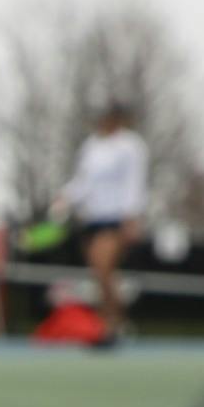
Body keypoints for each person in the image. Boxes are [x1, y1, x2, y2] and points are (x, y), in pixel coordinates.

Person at [61, 102, 149, 344]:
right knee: (101, 274)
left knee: (103, 266)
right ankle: (109, 323)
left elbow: (135, 182)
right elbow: (82, 182)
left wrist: (132, 218)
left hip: (116, 219)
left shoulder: (131, 146)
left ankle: (113, 324)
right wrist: (65, 198)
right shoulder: (91, 146)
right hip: (92, 218)